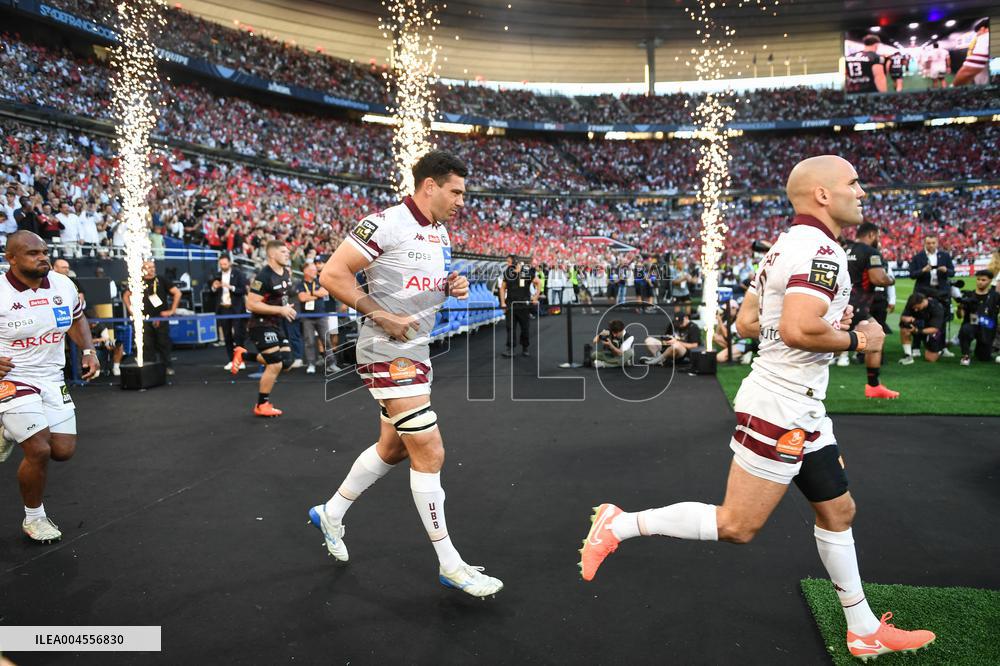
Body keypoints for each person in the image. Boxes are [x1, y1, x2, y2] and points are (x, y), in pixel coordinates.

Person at [578, 156, 935, 661]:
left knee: (839, 510)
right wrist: (857, 336)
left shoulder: (781, 248)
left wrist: (828, 320)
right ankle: (618, 524)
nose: (863, 191)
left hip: (802, 405)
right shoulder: (822, 251)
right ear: (822, 195)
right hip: (781, 406)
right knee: (737, 526)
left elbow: (748, 322)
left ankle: (862, 628)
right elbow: (794, 330)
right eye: (853, 183)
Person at [313, 150, 503, 597]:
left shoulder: (439, 234)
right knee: (430, 451)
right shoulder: (385, 223)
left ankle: (331, 513)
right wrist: (380, 315)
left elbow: (421, 283)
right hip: (386, 352)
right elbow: (332, 273)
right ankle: (451, 564)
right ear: (430, 186)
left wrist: (450, 285)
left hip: (417, 353)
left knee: (394, 449)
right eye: (456, 191)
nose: (461, 201)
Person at [0, 231, 99, 543]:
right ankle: (35, 518)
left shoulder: (62, 284)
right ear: (11, 259)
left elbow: (76, 319)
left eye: (44, 251)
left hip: (52, 378)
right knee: (39, 449)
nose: (42, 257)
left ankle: (5, 430)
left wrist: (88, 350)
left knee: (62, 451)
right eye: (32, 253)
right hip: (12, 379)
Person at [234, 240, 296, 417]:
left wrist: (286, 307)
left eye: (287, 251)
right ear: (272, 254)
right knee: (274, 364)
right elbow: (251, 304)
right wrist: (280, 310)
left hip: (276, 323)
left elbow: (280, 297)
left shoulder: (286, 273)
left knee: (286, 363)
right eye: (283, 251)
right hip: (260, 324)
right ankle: (262, 405)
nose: (287, 254)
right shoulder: (263, 276)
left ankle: (243, 354)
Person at [839, 223, 898, 399]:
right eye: (877, 235)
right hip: (856, 305)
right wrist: (891, 280)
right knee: (825, 347)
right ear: (872, 234)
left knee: (876, 335)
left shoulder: (843, 248)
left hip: (839, 302)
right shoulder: (871, 252)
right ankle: (872, 385)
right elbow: (878, 278)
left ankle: (873, 385)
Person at [121, 260, 180, 376]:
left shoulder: (161, 280)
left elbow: (177, 293)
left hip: (160, 317)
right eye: (148, 267)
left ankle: (167, 366)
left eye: (153, 267)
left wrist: (172, 311)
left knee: (163, 343)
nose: (151, 269)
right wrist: (131, 310)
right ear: (143, 269)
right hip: (144, 318)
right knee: (147, 344)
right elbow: (126, 296)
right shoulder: (138, 281)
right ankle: (150, 368)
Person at [211, 254, 248, 372]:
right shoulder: (217, 275)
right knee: (227, 335)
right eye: (221, 264)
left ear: (230, 263)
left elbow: (243, 290)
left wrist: (231, 287)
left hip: (236, 308)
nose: (223, 266)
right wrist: (214, 287)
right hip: (223, 308)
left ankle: (240, 359)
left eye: (225, 264)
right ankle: (231, 359)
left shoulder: (238, 273)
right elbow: (212, 292)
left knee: (238, 334)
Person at [499, 256, 539, 358]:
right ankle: (510, 349)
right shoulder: (508, 272)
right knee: (510, 328)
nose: (507, 264)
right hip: (511, 305)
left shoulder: (525, 271)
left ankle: (525, 348)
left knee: (525, 328)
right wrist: (503, 302)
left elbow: (538, 283)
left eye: (508, 262)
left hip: (523, 306)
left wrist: (535, 297)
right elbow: (502, 288)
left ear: (515, 262)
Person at [956, 270, 998, 365]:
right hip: (972, 322)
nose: (980, 282)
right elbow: (960, 316)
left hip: (988, 326)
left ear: (990, 281)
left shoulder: (995, 296)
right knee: (965, 330)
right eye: (978, 279)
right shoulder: (969, 295)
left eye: (983, 280)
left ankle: (981, 349)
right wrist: (959, 308)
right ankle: (965, 355)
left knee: (984, 357)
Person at [296, 261, 330, 375]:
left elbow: (324, 293)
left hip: (321, 315)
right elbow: (302, 298)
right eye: (312, 270)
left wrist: (310, 293)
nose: (315, 272)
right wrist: (316, 293)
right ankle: (311, 363)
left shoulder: (320, 281)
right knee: (309, 341)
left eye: (315, 270)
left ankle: (331, 363)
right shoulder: (300, 284)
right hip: (307, 317)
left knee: (326, 340)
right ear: (305, 271)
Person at [898, 292, 946, 365]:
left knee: (930, 358)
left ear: (923, 301)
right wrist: (907, 319)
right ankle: (908, 356)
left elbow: (935, 328)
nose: (916, 310)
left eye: (917, 307)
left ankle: (940, 350)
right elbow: (903, 317)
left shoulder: (936, 308)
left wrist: (917, 330)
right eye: (914, 308)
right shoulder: (912, 303)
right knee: (904, 328)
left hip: (932, 330)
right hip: (918, 326)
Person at [953, 18, 990, 86]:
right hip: (983, 64)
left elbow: (970, 68)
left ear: (983, 29)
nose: (977, 35)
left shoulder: (985, 36)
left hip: (980, 64)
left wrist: (954, 87)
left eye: (977, 32)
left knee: (982, 83)